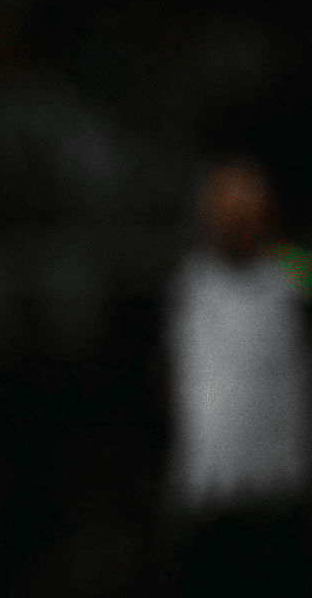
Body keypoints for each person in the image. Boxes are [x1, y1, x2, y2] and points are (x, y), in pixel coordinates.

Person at [162, 153, 312, 595]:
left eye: (248, 211)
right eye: (225, 211)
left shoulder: (292, 274)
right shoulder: (191, 282)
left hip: (278, 493)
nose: (236, 221)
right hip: (207, 495)